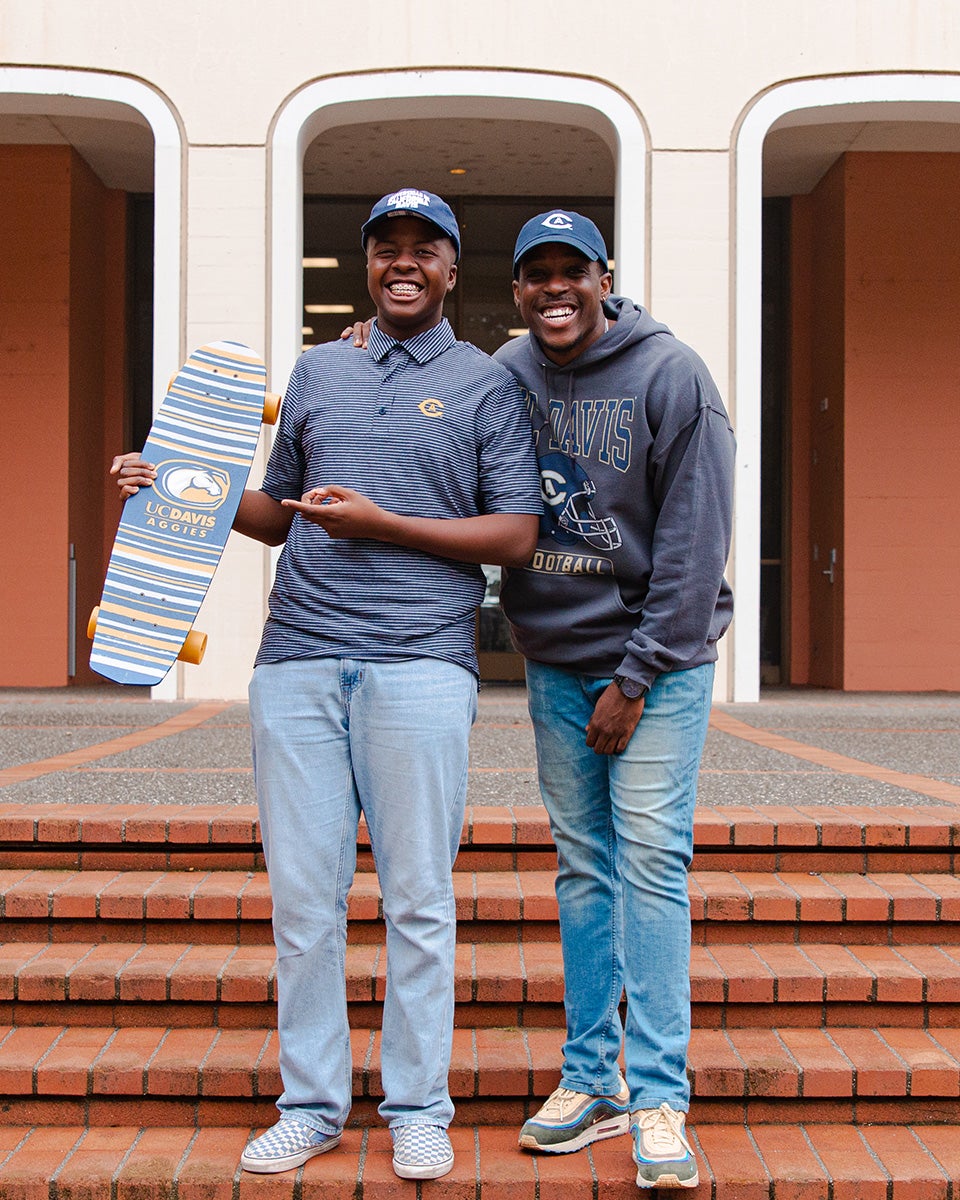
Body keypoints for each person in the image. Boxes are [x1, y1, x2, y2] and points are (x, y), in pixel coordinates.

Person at [112, 188, 543, 1182]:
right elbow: (278, 513)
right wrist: (177, 484)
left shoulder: (486, 386)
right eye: (385, 247)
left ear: (450, 267)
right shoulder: (319, 367)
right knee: (305, 904)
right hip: (297, 660)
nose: (403, 263)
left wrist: (383, 523)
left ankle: (417, 1108)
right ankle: (310, 1103)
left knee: (418, 902)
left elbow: (516, 535)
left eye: (422, 249)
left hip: (420, 664)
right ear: (367, 265)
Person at [491, 210, 734, 1190]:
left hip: (658, 664)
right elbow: (426, 402)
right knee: (584, 867)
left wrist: (636, 679)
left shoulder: (671, 375)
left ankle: (660, 1096)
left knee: (651, 865)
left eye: (572, 271)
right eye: (535, 275)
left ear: (605, 276)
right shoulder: (507, 371)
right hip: (555, 659)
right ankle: (590, 1080)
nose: (555, 289)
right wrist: (365, 342)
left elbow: (693, 543)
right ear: (516, 289)